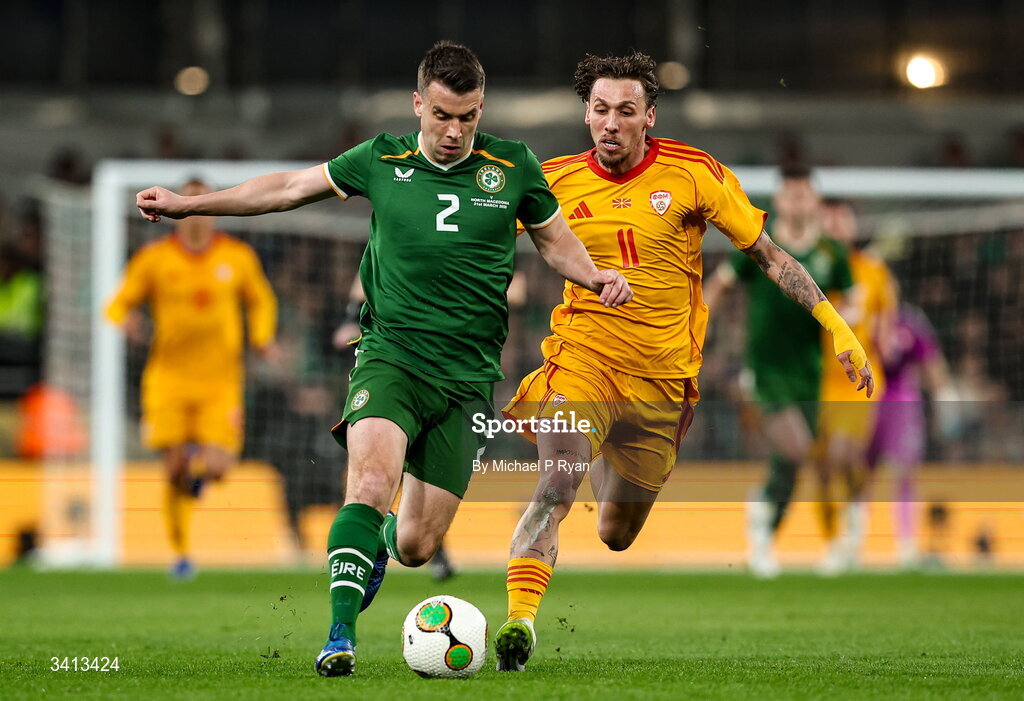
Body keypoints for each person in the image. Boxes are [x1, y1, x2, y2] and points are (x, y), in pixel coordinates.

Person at [134, 41, 632, 677]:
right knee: (369, 483)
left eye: (468, 118)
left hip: (467, 378)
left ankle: (378, 548)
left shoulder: (513, 166)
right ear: (418, 104)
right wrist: (188, 205)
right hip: (390, 358)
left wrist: (595, 278)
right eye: (443, 116)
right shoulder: (380, 159)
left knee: (418, 545)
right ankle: (339, 636)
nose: (454, 132)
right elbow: (288, 188)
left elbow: (556, 243)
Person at [494, 52, 873, 671]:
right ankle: (518, 625)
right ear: (585, 114)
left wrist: (837, 327)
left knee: (616, 533)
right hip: (582, 359)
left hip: (662, 385)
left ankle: (597, 456)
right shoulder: (552, 180)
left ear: (649, 115)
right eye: (599, 110)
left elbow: (771, 257)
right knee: (556, 482)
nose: (610, 123)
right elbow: (477, 243)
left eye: (625, 111)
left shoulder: (695, 173)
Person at [106, 178, 279, 579]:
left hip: (221, 381)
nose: (197, 219)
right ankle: (181, 552)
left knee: (218, 467)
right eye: (189, 210)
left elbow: (262, 300)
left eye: (204, 208)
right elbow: (117, 303)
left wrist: (262, 336)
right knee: (173, 470)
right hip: (168, 379)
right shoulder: (154, 259)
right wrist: (127, 318)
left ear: (214, 212)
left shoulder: (237, 257)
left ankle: (200, 478)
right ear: (175, 214)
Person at [703, 165, 860, 579]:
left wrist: (847, 318)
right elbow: (719, 284)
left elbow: (855, 301)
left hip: (809, 371)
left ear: (815, 200)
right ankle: (763, 521)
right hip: (764, 368)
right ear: (779, 201)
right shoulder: (760, 247)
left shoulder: (831, 252)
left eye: (803, 194)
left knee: (792, 460)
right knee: (796, 451)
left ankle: (763, 530)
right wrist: (696, 326)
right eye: (789, 195)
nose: (796, 201)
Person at [814, 198, 896, 575]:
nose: (834, 228)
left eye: (840, 222)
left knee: (844, 453)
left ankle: (854, 519)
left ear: (852, 227)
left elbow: (884, 325)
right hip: (815, 379)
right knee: (822, 466)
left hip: (857, 379)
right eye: (827, 222)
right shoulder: (810, 268)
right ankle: (832, 542)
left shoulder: (874, 271)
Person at [866, 301, 958, 568]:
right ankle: (852, 541)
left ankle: (906, 545)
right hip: (865, 395)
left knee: (905, 471)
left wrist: (944, 395)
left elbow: (931, 359)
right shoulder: (862, 316)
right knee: (860, 471)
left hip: (902, 400)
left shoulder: (910, 321)